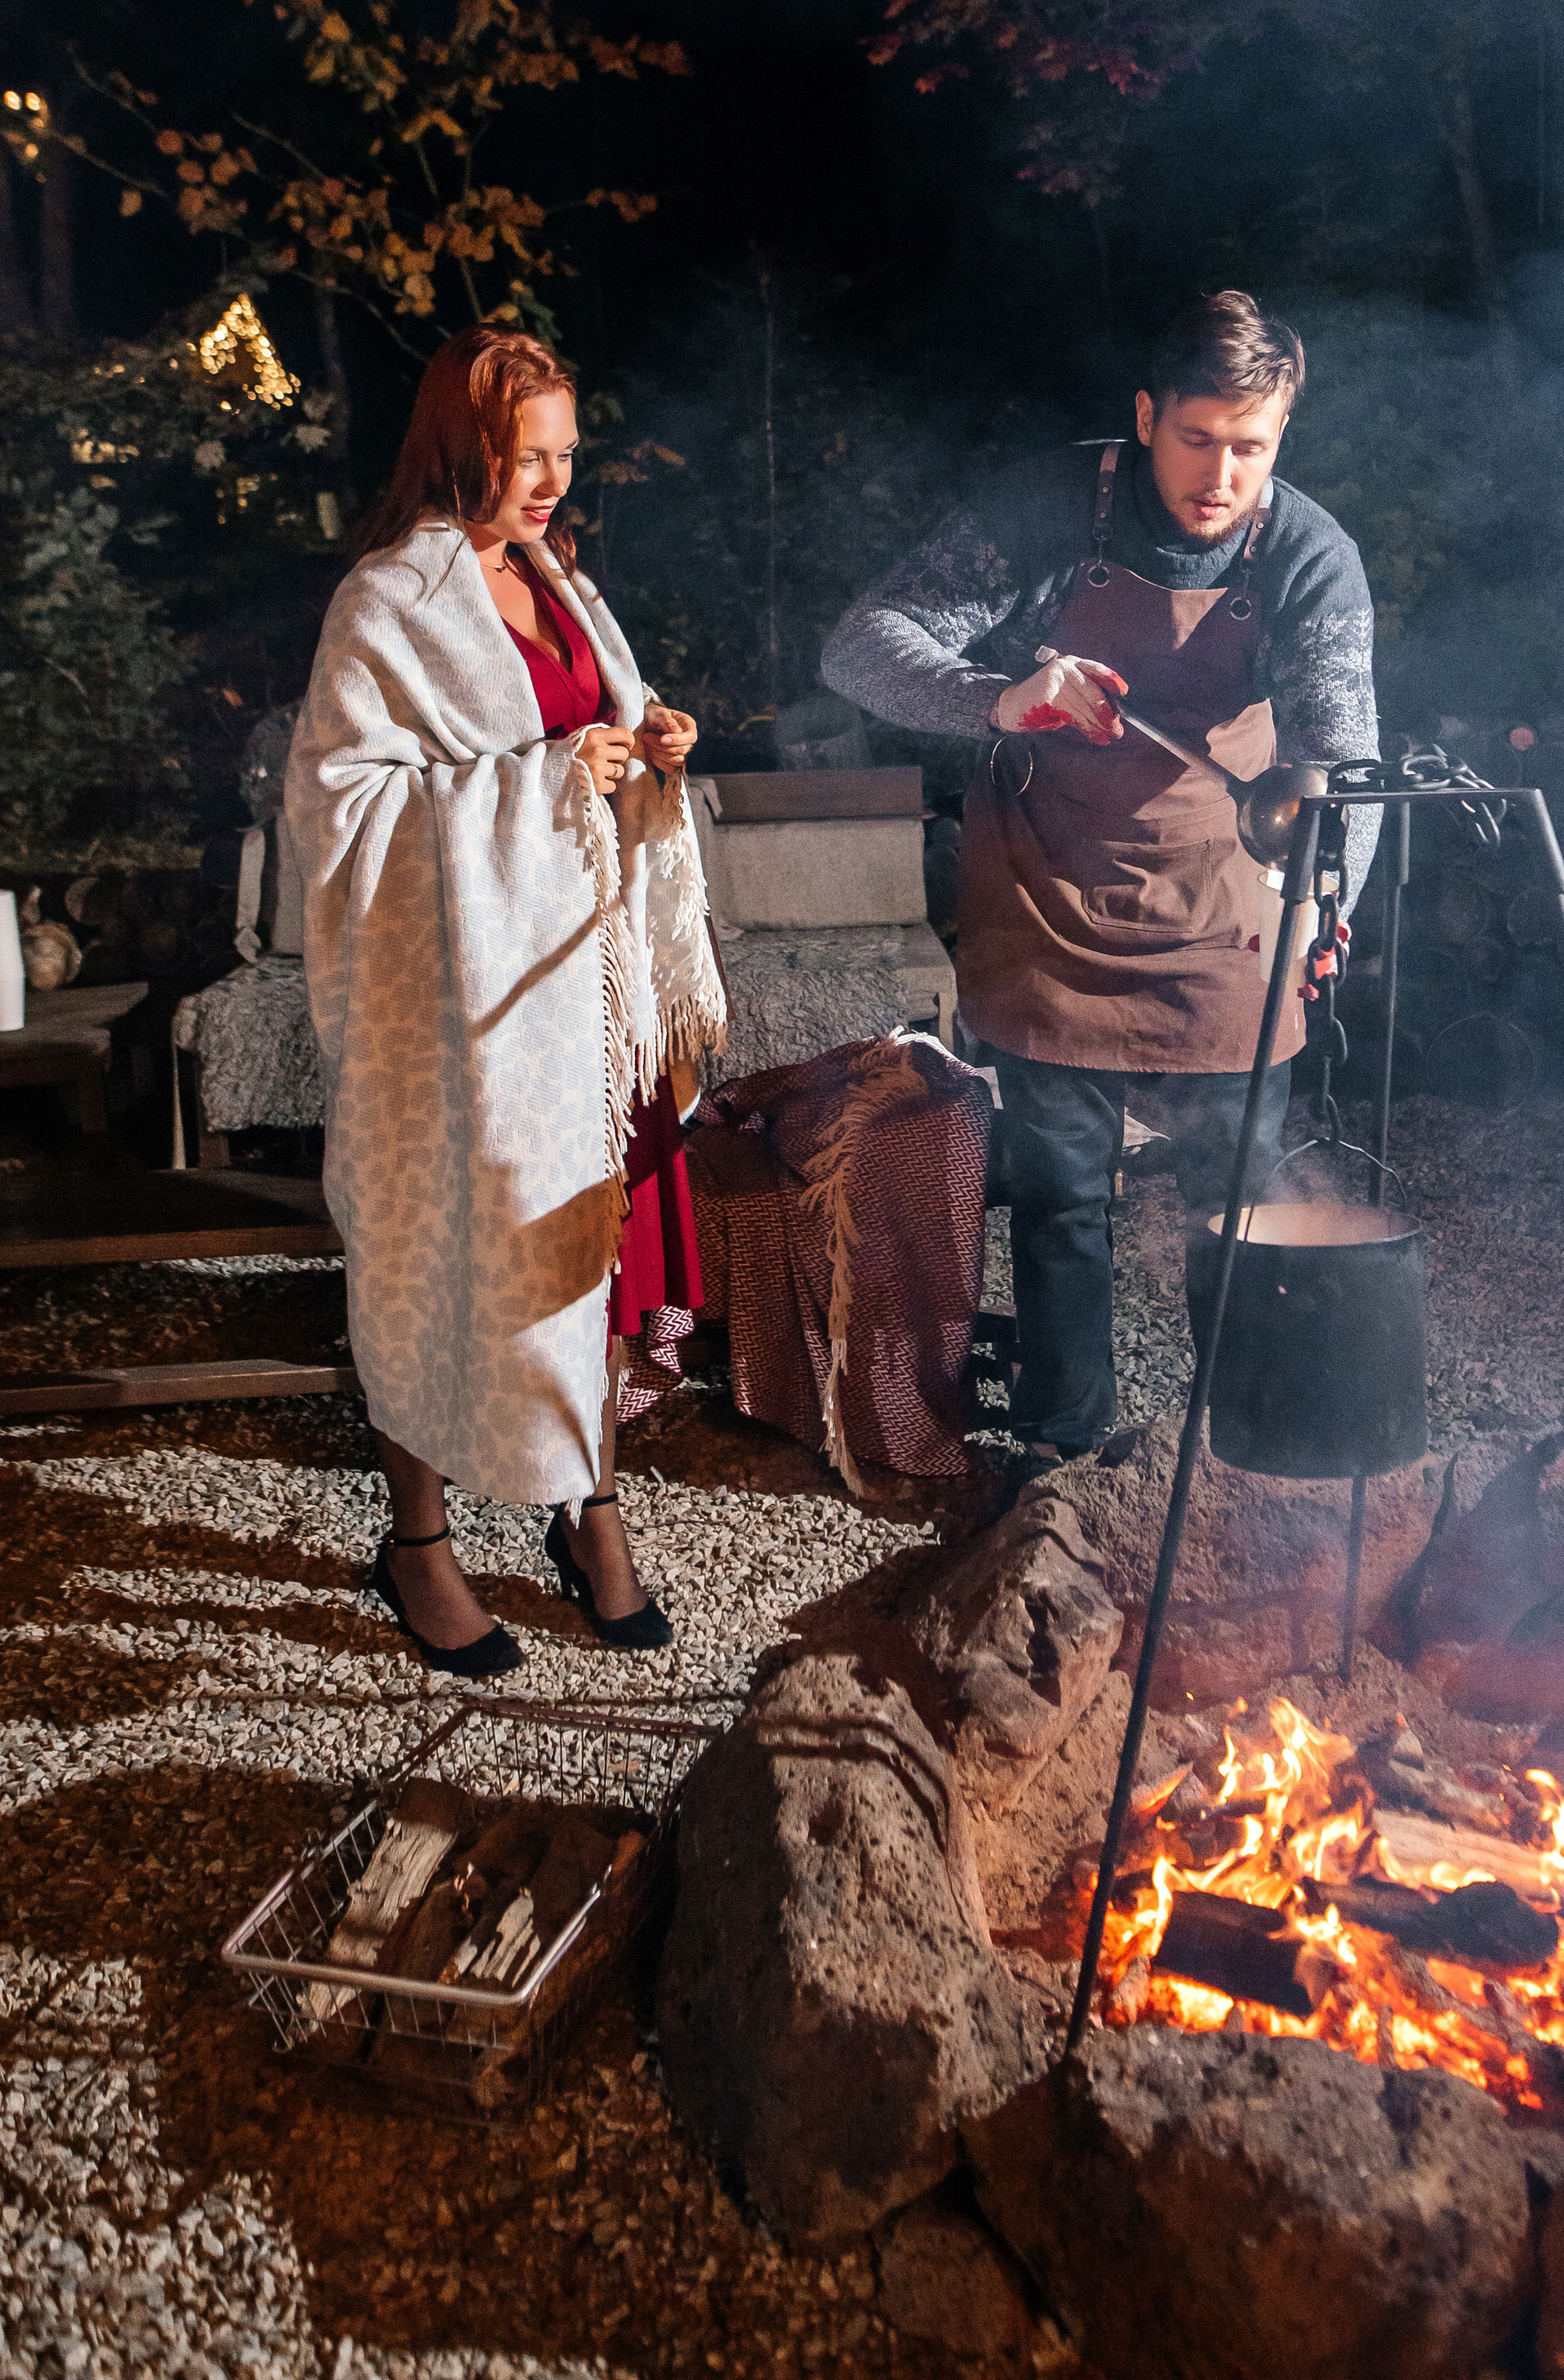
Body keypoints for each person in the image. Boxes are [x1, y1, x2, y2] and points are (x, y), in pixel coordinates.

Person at [821, 287, 1379, 1465]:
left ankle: (1247, 1459)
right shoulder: (1049, 508)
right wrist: (998, 697)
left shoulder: (1309, 555)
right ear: (1144, 415)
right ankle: (1061, 1460)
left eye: (1251, 446)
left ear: (1283, 431)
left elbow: (1340, 760)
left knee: (1240, 1197)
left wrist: (1323, 902)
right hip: (1049, 891)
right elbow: (861, 644)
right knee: (1062, 1197)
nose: (1221, 477)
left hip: (1229, 894)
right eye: (1196, 438)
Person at [287, 327, 727, 1674]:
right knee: (430, 1251)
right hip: (461, 1016)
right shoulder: (388, 600)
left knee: (589, 1253)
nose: (550, 482)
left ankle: (589, 1509)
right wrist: (540, 785)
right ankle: (419, 1543)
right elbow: (341, 812)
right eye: (526, 456)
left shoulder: (559, 579)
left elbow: (594, 742)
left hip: (584, 997)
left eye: (566, 455)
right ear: (459, 445)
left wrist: (652, 746)